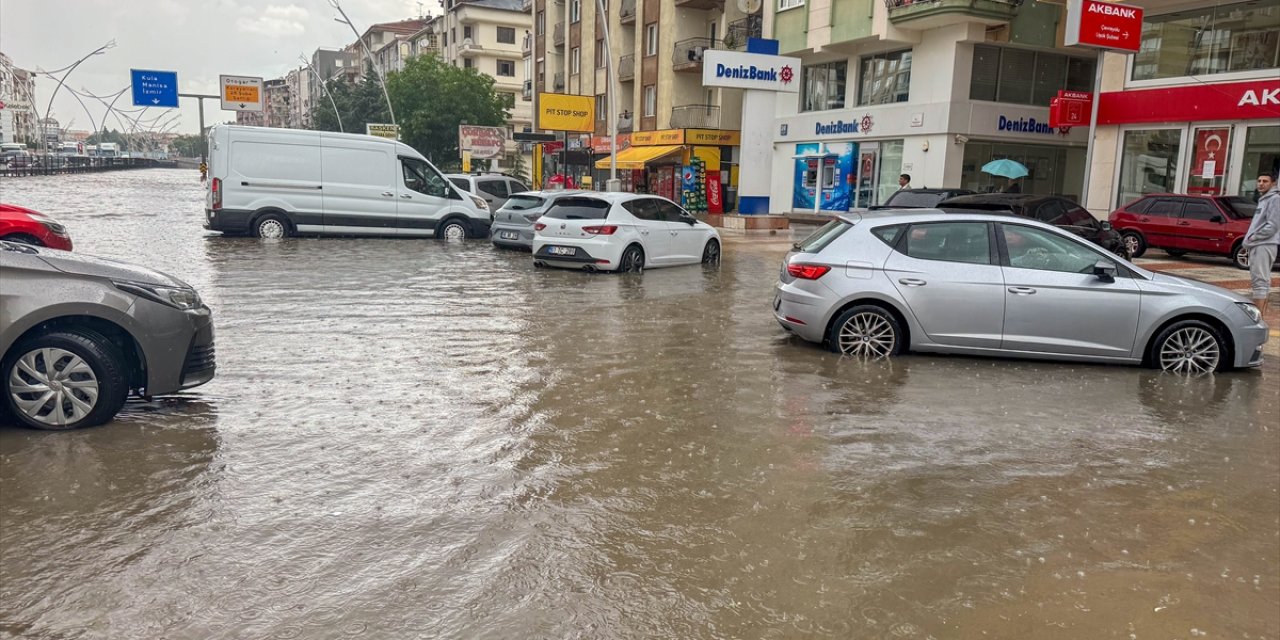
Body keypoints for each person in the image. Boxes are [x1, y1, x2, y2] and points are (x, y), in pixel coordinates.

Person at [1244, 172, 1278, 315]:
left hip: (1264, 244)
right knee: (1261, 282)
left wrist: (1253, 238)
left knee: (1260, 282)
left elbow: (1273, 225)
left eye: (1265, 181)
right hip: (1259, 244)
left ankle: (1257, 318)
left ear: (1273, 183)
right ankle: (1260, 316)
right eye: (1259, 180)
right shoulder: (1264, 199)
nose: (1261, 183)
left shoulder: (1275, 199)